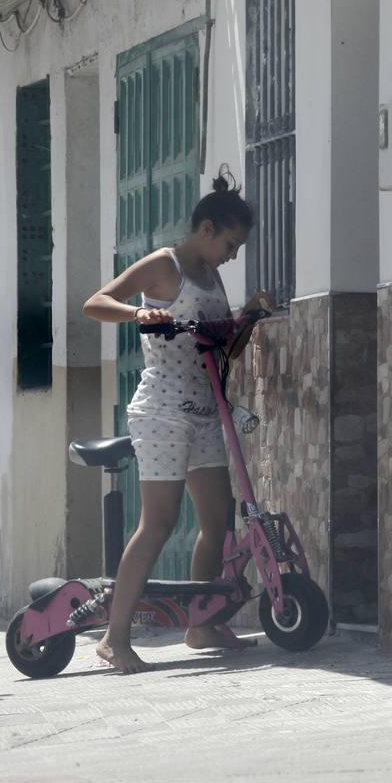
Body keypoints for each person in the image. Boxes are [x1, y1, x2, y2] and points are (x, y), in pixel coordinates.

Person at [82, 173, 271, 673]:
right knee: (159, 523)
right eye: (231, 243)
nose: (233, 255)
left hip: (207, 410)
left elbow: (223, 348)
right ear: (206, 228)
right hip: (162, 410)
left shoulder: (212, 276)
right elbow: (96, 303)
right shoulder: (164, 266)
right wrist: (135, 315)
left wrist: (247, 317)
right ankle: (113, 638)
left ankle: (200, 624)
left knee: (216, 522)